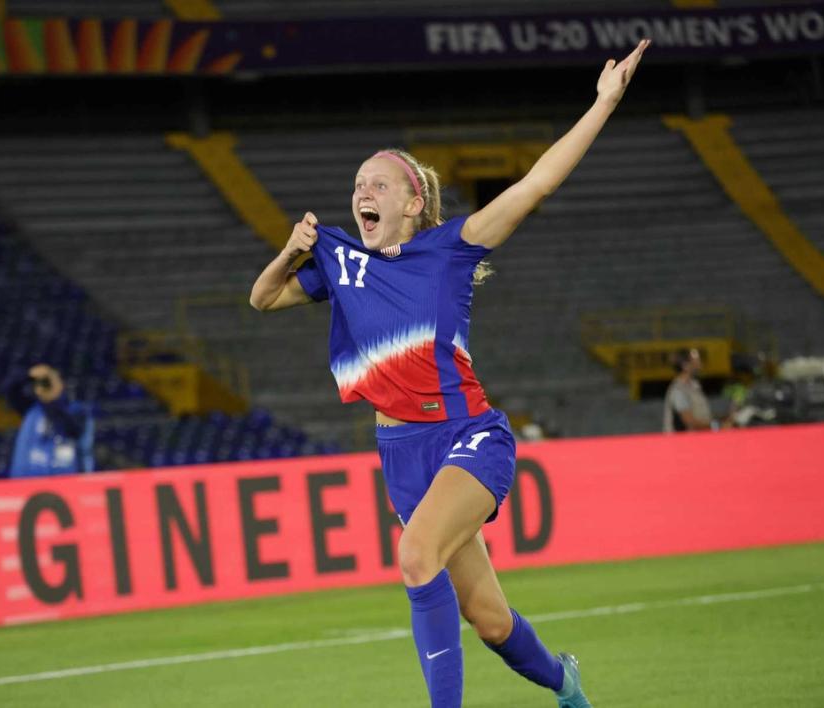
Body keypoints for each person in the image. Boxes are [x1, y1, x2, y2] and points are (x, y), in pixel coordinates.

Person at [249, 39, 650, 708]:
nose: (361, 194)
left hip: (468, 438)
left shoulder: (451, 249)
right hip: (400, 455)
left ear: (412, 204)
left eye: (378, 183)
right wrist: (290, 252)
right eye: (357, 186)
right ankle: (567, 685)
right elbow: (262, 299)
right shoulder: (340, 262)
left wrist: (603, 103)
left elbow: (537, 184)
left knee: (414, 556)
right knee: (490, 622)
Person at [8, 364, 94, 477]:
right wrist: (28, 375)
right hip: (25, 480)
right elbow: (9, 389)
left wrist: (52, 399)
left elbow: (73, 430)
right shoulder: (31, 408)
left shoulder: (77, 411)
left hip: (62, 481)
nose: (45, 386)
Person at [662, 348, 714, 433]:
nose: (700, 363)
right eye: (696, 360)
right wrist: (715, 426)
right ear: (685, 365)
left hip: (698, 441)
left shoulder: (694, 387)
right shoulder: (678, 390)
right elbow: (690, 422)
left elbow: (702, 416)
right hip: (682, 444)